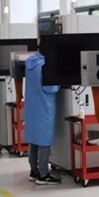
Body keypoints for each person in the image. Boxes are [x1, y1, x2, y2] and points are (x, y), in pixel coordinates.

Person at [24, 50, 61, 185]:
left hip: (32, 107)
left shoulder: (31, 63)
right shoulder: (45, 66)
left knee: (34, 140)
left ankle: (34, 171)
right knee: (44, 141)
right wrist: (59, 82)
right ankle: (43, 175)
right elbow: (50, 88)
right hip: (44, 106)